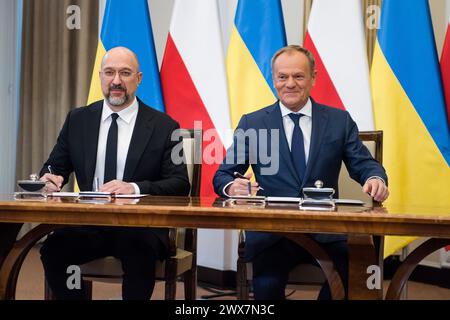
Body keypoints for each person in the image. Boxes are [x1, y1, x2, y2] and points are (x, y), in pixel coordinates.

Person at [213, 45, 389, 300]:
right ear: (273, 79)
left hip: (327, 230)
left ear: (313, 78)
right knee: (267, 287)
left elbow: (364, 164)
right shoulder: (253, 123)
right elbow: (223, 175)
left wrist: (375, 178)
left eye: (298, 76)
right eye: (282, 77)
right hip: (273, 233)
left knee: (358, 271)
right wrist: (232, 186)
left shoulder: (339, 121)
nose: (290, 84)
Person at [39, 46, 190, 300]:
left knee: (138, 250)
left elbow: (179, 183)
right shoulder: (78, 120)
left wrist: (134, 188)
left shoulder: (164, 126)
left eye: (125, 73)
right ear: (100, 76)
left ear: (139, 79)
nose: (116, 81)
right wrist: (50, 178)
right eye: (109, 72)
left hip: (139, 226)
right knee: (54, 249)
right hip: (89, 224)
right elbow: (55, 166)